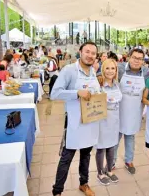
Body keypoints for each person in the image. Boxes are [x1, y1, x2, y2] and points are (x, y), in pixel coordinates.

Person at [50, 42, 101, 196]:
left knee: (86, 155)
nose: (90, 55)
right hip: (74, 123)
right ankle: (57, 191)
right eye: (87, 51)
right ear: (80, 52)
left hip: (90, 122)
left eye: (93, 53)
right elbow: (54, 94)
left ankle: (83, 183)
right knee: (66, 158)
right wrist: (77, 93)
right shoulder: (69, 70)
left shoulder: (93, 72)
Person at [112, 48, 149, 174]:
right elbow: (104, 73)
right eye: (134, 57)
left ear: (143, 61)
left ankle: (129, 161)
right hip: (118, 110)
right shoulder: (119, 68)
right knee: (114, 138)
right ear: (129, 57)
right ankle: (111, 162)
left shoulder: (146, 72)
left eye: (140, 59)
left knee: (130, 137)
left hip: (134, 111)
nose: (136, 61)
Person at [95, 58, 122, 185]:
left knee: (111, 146)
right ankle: (100, 173)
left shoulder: (117, 84)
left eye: (113, 68)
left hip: (114, 120)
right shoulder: (98, 84)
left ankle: (109, 170)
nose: (110, 71)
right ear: (103, 69)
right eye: (107, 68)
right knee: (101, 147)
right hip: (102, 120)